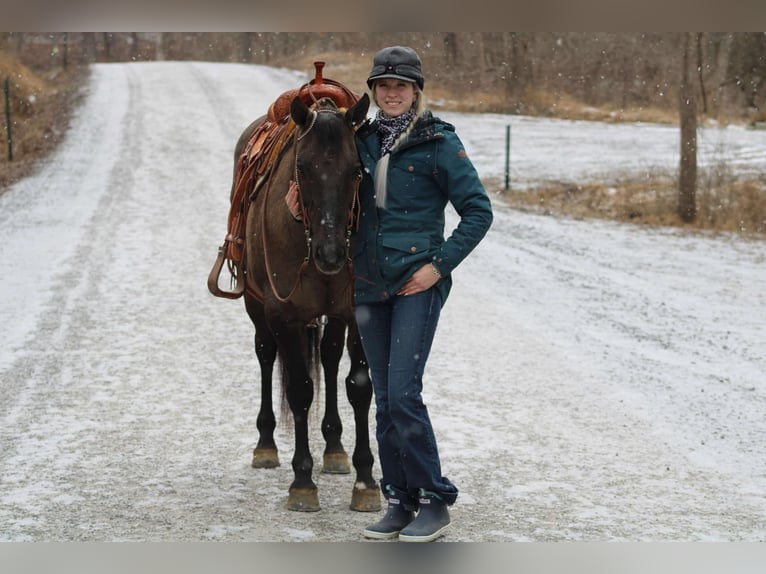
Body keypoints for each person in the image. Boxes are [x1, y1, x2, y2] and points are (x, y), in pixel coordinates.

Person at [286, 46, 492, 542]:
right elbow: (333, 189)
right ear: (373, 92)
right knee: (382, 398)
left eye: (402, 86)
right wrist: (301, 211)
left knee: (403, 394)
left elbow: (478, 211)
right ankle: (399, 499)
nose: (393, 93)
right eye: (384, 86)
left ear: (416, 92)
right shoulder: (362, 140)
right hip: (370, 283)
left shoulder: (439, 142)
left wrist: (438, 266)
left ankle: (434, 500)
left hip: (415, 284)